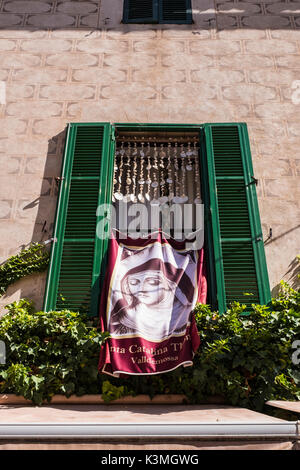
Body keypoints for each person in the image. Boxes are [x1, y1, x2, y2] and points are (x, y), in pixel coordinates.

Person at [109, 256, 196, 341]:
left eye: (152, 282)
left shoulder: (189, 315)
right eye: (133, 282)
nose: (141, 289)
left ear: (171, 284)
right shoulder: (121, 319)